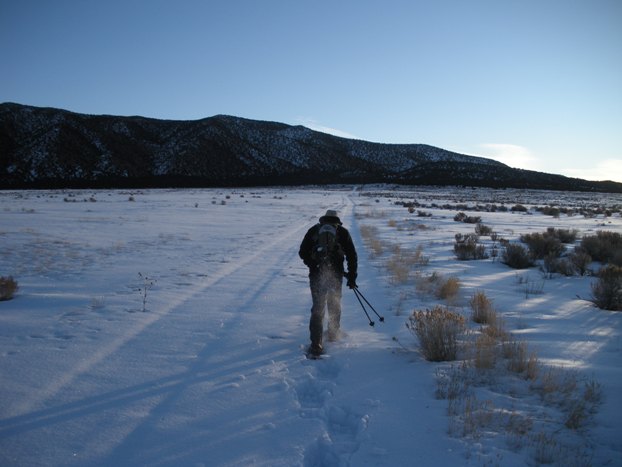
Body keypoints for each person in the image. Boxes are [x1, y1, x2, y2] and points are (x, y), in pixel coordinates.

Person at [299, 209, 358, 356]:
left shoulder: (314, 230)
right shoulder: (343, 232)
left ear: (324, 219)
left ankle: (316, 344)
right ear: (337, 221)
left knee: (318, 307)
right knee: (334, 304)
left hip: (316, 275)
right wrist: (352, 277)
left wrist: (312, 264)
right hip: (335, 276)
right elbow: (352, 256)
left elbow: (302, 252)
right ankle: (333, 334)